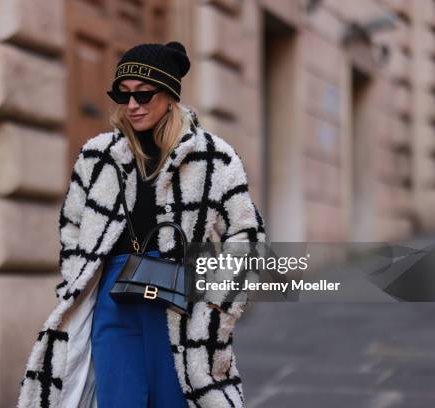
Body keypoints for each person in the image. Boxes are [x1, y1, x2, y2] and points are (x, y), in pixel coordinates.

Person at [17, 41, 266, 408]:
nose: (132, 105)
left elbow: (247, 237)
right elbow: (72, 225)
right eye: (123, 94)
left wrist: (216, 312)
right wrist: (74, 281)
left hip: (181, 304)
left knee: (178, 399)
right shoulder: (97, 156)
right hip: (114, 300)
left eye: (144, 95)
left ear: (169, 97)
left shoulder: (213, 158)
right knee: (119, 399)